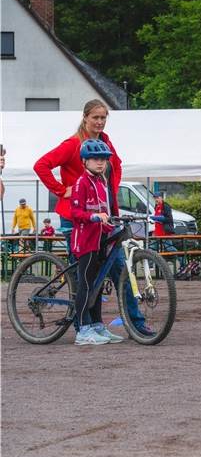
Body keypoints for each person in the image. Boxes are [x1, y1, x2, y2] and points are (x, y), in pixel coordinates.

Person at [33, 99, 154, 336]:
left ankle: (135, 323)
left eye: (103, 118)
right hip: (76, 218)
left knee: (118, 268)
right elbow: (42, 165)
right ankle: (83, 327)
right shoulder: (72, 144)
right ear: (85, 117)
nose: (99, 122)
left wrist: (110, 193)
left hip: (102, 217)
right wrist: (61, 190)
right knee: (84, 274)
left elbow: (116, 166)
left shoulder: (105, 141)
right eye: (95, 117)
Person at [69, 139, 121, 345]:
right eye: (96, 159)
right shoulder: (81, 182)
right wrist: (92, 217)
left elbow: (105, 211)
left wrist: (112, 219)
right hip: (85, 240)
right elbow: (75, 212)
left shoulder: (102, 182)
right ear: (85, 161)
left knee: (98, 285)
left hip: (101, 239)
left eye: (104, 159)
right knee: (86, 284)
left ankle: (97, 325)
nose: (101, 163)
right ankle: (83, 329)